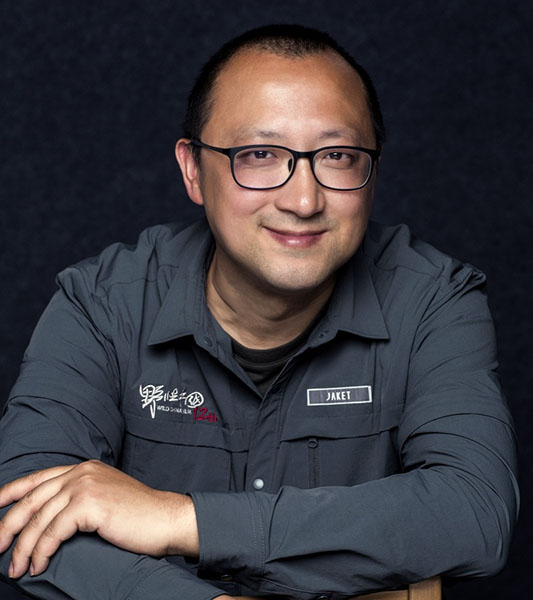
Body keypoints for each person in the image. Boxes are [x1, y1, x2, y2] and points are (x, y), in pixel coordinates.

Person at [0, 24, 518, 600]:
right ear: (193, 169)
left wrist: (180, 520)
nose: (303, 200)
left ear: (373, 171)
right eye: (260, 155)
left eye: (338, 156)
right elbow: (20, 515)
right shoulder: (101, 304)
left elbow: (475, 511)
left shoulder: (435, 300)